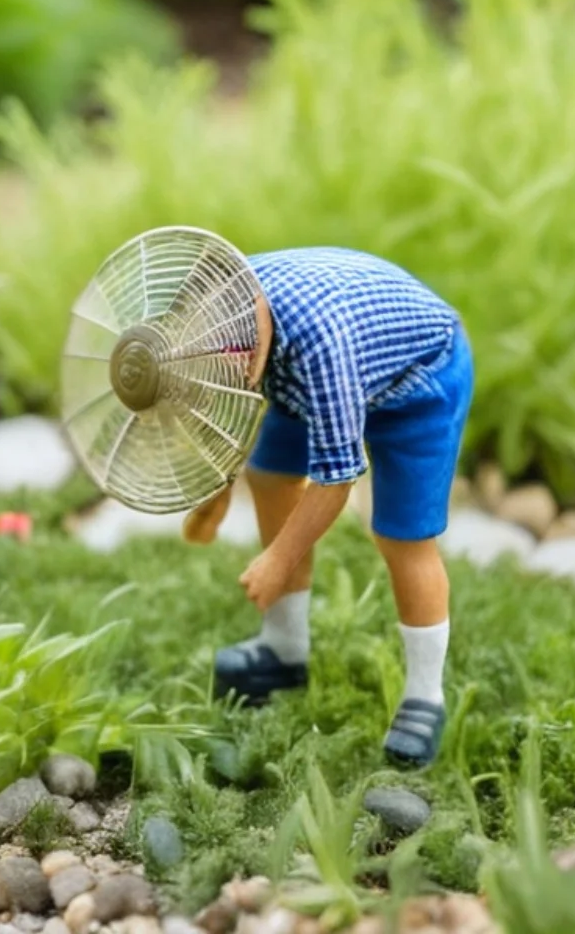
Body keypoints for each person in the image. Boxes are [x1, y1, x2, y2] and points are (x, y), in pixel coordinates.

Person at [181, 246, 472, 769]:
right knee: (269, 473)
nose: (231, 359)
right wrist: (214, 496)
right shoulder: (222, 312)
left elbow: (336, 480)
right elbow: (225, 410)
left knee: (403, 536)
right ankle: (285, 648)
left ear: (256, 307)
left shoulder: (321, 346)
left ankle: (425, 697)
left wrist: (278, 559)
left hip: (418, 382)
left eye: (241, 347)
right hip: (307, 378)